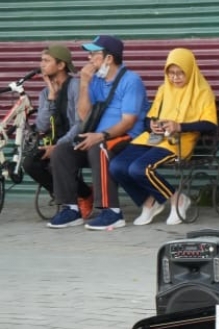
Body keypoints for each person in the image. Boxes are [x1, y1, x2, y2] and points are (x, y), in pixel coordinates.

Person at [47, 35, 147, 230]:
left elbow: (128, 122)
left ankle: (112, 212)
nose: (89, 58)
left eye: (94, 54)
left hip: (127, 139)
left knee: (98, 148)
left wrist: (100, 136)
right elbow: (84, 115)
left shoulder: (131, 80)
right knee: (62, 151)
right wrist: (84, 83)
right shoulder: (97, 81)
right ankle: (70, 209)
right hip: (98, 137)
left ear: (108, 58)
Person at [110, 48, 218, 227]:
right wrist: (151, 124)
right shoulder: (163, 89)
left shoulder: (202, 91)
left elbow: (210, 124)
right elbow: (149, 117)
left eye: (180, 73)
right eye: (171, 73)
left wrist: (180, 126)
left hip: (179, 142)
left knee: (139, 168)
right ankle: (149, 202)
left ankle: (178, 200)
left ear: (190, 70)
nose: (175, 78)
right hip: (154, 138)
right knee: (117, 166)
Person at [23, 45, 84, 203]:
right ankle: (74, 194)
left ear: (61, 65)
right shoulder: (45, 93)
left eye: (46, 61)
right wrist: (51, 96)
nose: (41, 65)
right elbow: (42, 126)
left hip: (76, 142)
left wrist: (59, 146)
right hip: (54, 143)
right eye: (41, 61)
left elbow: (80, 123)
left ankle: (83, 196)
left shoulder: (76, 86)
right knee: (30, 163)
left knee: (58, 156)